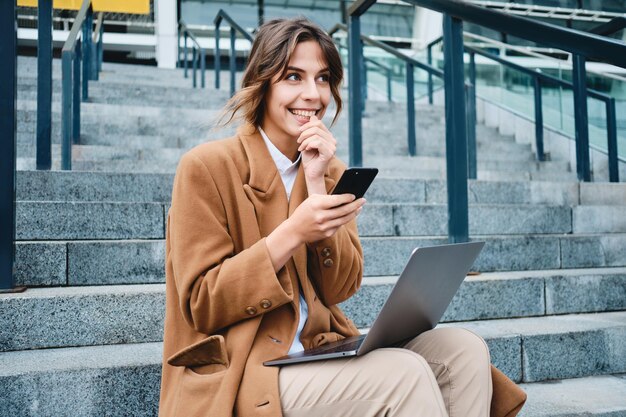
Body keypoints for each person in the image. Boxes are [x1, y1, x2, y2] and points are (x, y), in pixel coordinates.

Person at [158, 17, 526, 417]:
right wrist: (294, 232)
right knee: (401, 375)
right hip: (247, 369)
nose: (312, 95)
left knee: (463, 351)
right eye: (294, 77)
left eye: (323, 78)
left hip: (318, 352)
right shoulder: (206, 167)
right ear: (263, 82)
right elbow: (201, 303)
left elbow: (340, 288)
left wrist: (317, 187)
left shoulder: (331, 170)